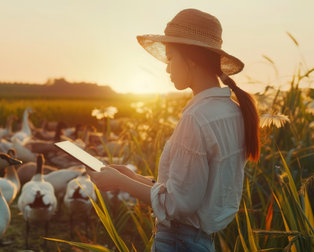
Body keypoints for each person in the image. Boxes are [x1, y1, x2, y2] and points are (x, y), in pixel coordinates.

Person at [86, 8, 260, 252]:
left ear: (190, 59)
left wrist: (120, 183)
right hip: (200, 242)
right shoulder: (232, 111)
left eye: (170, 58)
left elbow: (178, 204)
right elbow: (190, 189)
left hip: (179, 242)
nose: (167, 69)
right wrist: (132, 177)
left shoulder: (196, 117)